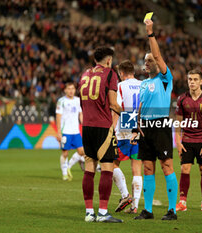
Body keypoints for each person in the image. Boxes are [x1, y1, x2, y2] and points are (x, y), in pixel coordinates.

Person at [131, 19, 178, 220]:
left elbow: (157, 55)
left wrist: (150, 33)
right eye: (146, 60)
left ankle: (172, 210)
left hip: (160, 124)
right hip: (145, 128)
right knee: (147, 167)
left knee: (166, 165)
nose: (148, 62)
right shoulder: (142, 84)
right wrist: (136, 126)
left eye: (150, 60)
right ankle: (148, 210)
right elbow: (139, 107)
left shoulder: (165, 80)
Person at [79, 46, 123, 223]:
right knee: (107, 168)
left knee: (90, 169)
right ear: (108, 60)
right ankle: (103, 213)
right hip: (103, 127)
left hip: (87, 127)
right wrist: (125, 112)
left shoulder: (84, 74)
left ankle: (89, 213)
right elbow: (113, 103)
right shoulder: (110, 74)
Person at [174, 69, 202, 212]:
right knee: (184, 168)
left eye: (195, 79)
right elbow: (178, 123)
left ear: (201, 81)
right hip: (186, 139)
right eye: (190, 79)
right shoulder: (181, 99)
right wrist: (178, 142)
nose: (192, 82)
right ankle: (182, 202)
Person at [113, 60, 143, 214]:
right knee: (137, 169)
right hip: (139, 129)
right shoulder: (143, 85)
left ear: (121, 73)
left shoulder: (120, 86)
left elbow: (116, 107)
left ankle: (126, 195)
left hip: (124, 128)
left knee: (111, 164)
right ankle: (135, 206)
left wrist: (112, 129)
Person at [56, 82, 85, 181]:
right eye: (69, 89)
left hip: (76, 131)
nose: (71, 90)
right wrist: (59, 132)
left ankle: (68, 166)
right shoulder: (61, 101)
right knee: (65, 153)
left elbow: (80, 113)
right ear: (65, 90)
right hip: (66, 131)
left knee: (82, 152)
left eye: (73, 88)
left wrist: (83, 124)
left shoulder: (78, 100)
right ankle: (64, 174)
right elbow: (58, 117)